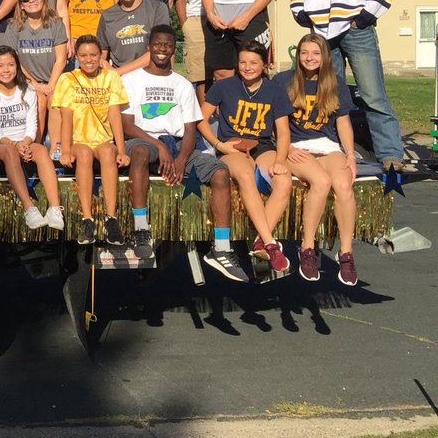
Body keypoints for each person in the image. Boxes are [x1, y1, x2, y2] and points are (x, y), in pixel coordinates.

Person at [290, 0, 404, 172]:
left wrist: (368, 12)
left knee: (372, 93)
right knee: (330, 94)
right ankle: (335, 148)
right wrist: (300, 11)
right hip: (323, 30)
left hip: (356, 25)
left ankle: (390, 153)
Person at [121, 26, 243, 278]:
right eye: (158, 44)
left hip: (177, 145)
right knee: (141, 154)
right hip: (144, 141)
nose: (162, 49)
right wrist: (160, 146)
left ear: (173, 49)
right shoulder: (130, 80)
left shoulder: (183, 85)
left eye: (167, 45)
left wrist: (181, 159)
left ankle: (220, 248)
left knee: (220, 173)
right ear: (149, 47)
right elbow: (127, 125)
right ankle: (141, 230)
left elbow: (190, 131)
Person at [198, 40, 294, 274]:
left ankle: (261, 240)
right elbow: (200, 120)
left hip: (262, 146)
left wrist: (281, 160)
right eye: (242, 62)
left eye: (253, 63)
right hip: (232, 147)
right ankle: (271, 244)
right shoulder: (224, 86)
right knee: (245, 174)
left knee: (284, 180)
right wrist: (220, 144)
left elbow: (282, 132)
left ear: (264, 65)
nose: (247, 67)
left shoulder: (274, 92)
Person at [272, 33, 359, 285]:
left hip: (327, 145)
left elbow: (343, 122)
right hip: (296, 146)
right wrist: (285, 149)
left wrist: (350, 154)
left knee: (344, 185)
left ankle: (346, 252)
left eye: (315, 53)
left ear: (325, 57)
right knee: (321, 182)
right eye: (304, 53)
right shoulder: (282, 81)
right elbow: (274, 123)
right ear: (297, 55)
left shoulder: (336, 83)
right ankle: (307, 248)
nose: (309, 58)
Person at [51, 35, 130, 246]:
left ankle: (111, 218)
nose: (89, 59)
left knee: (107, 152)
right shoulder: (67, 79)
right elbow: (65, 117)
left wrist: (121, 150)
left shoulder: (110, 78)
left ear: (100, 56)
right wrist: (65, 150)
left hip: (103, 138)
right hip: (79, 139)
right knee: (84, 154)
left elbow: (115, 116)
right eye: (83, 55)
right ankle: (87, 220)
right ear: (76, 56)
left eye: (93, 54)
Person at [0, 45, 66, 232]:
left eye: (10, 64)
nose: (6, 70)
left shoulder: (27, 91)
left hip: (25, 140)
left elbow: (32, 125)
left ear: (17, 67)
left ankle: (54, 208)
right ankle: (29, 208)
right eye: (0, 65)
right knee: (10, 151)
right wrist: (16, 145)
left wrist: (25, 144)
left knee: (42, 150)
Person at [4, 0, 67, 143]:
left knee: (55, 101)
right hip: (27, 81)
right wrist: (34, 83)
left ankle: (55, 149)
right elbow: (13, 59)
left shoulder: (56, 24)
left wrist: (51, 85)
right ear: (21, 5)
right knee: (38, 100)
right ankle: (35, 147)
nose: (31, 0)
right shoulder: (14, 26)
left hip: (52, 79)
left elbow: (61, 58)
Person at [96, 0, 170, 76]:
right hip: (120, 81)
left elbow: (158, 50)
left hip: (151, 75)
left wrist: (117, 72)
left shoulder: (157, 8)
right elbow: (102, 52)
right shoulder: (107, 15)